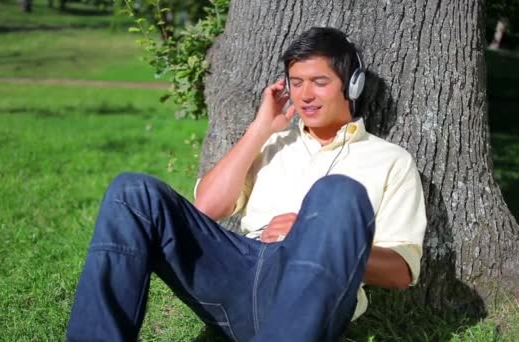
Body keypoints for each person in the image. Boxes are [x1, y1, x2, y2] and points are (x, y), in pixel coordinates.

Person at [67, 27, 427, 341]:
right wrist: (259, 131)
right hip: (238, 271)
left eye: (319, 82)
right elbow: (206, 209)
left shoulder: (390, 160)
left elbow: (400, 271)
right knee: (133, 192)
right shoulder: (272, 143)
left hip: (313, 292)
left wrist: (318, 240)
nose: (304, 96)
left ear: (352, 85)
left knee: (338, 192)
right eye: (296, 83)